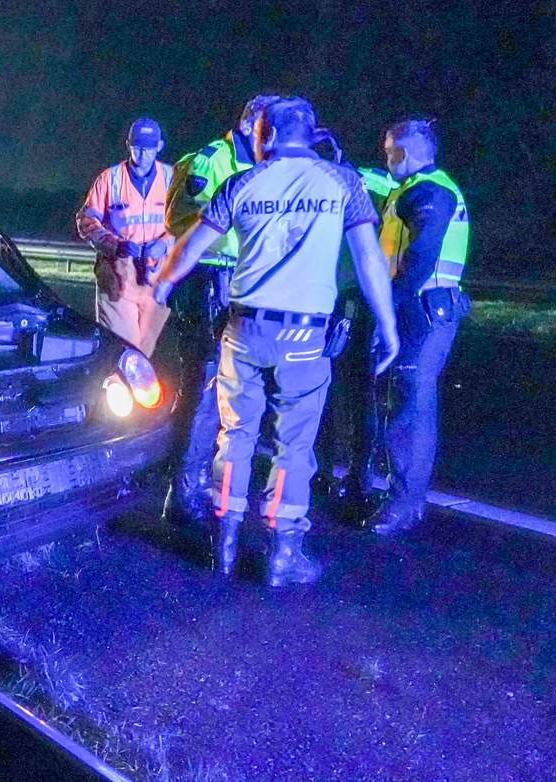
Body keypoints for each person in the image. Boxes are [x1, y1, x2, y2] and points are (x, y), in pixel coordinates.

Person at [152, 97, 399, 586]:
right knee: (293, 445)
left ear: (263, 136)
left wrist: (162, 284)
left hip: (243, 329)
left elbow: (191, 246)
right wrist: (388, 327)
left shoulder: (244, 181)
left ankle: (223, 543)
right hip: (304, 335)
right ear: (309, 134)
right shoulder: (342, 182)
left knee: (236, 436)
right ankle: (282, 554)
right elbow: (370, 261)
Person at [159, 94, 279, 528]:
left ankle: (204, 481)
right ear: (251, 126)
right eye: (271, 126)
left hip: (243, 284)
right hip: (210, 283)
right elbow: (179, 221)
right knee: (204, 389)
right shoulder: (211, 161)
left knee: (232, 393)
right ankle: (183, 490)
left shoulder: (264, 167)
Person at [363, 118, 471, 535]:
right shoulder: (410, 189)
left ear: (403, 153)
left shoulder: (429, 192)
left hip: (424, 312)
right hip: (419, 308)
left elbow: (422, 256)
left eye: (390, 151)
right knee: (401, 401)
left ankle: (404, 505)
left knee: (411, 406)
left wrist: (388, 308)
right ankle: (400, 495)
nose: (386, 159)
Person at [311, 158, 400, 520]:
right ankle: (349, 475)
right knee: (348, 392)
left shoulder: (328, 184)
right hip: (351, 298)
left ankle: (344, 475)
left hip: (345, 300)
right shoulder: (370, 182)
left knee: (338, 390)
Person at [76, 117, 175, 356]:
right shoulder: (110, 179)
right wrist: (115, 246)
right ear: (128, 145)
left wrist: (164, 244)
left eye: (148, 149)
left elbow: (188, 224)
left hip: (155, 282)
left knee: (144, 356)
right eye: (137, 148)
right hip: (118, 281)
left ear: (159, 146)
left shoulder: (171, 178)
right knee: (123, 353)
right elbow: (87, 222)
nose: (142, 155)